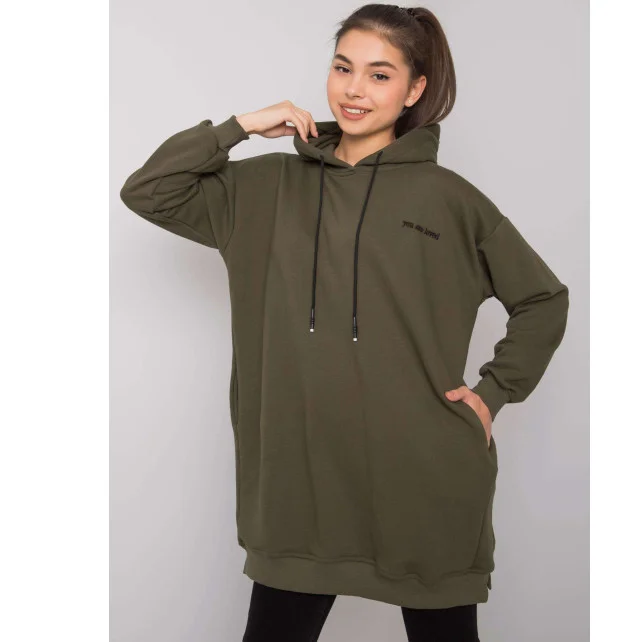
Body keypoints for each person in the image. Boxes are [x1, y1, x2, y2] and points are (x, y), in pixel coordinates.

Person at [119, 3, 569, 640]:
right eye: (343, 67)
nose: (355, 89)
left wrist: (493, 394)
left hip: (423, 482)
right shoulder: (263, 188)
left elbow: (543, 298)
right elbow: (149, 190)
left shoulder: (451, 200)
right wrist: (240, 126)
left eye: (380, 75)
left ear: (414, 90)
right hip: (295, 490)